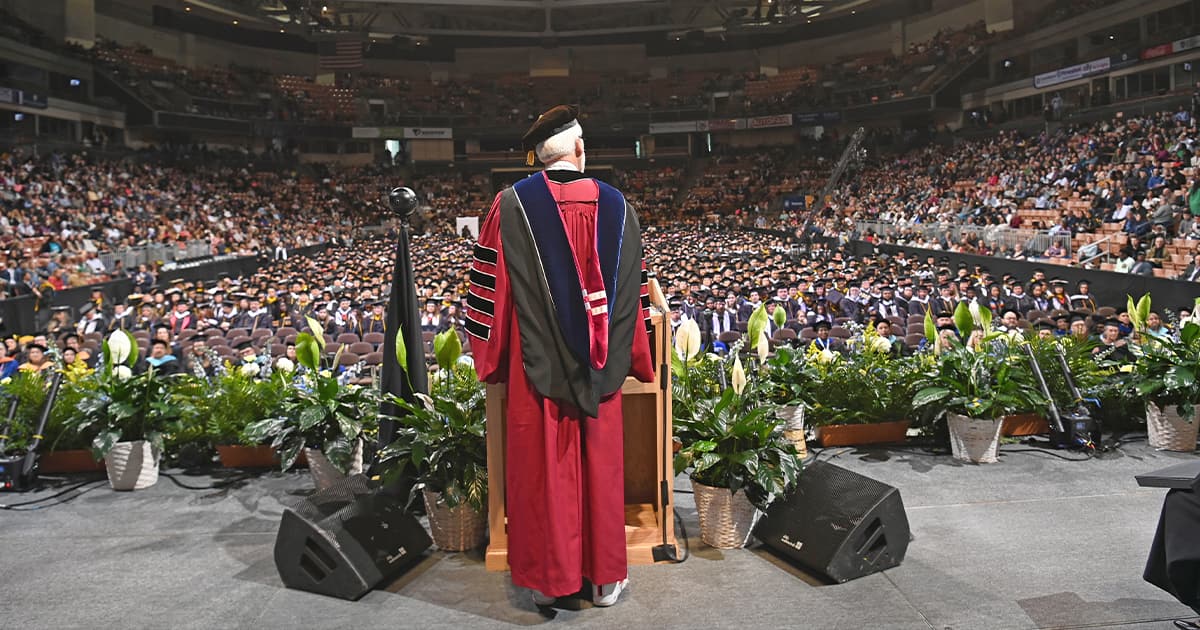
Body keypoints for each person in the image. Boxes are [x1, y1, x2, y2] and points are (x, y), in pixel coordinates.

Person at [466, 105, 654, 608]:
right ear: (579, 150)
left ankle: (553, 583)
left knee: (548, 476)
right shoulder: (618, 207)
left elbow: (492, 295)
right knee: (600, 468)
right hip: (601, 371)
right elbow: (631, 298)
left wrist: (492, 359)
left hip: (537, 373)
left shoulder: (509, 206)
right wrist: (631, 358)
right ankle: (605, 579)